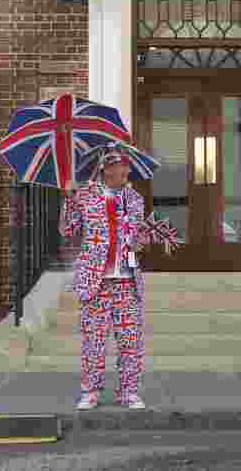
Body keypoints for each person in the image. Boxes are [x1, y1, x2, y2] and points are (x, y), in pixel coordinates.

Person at [60, 146, 148, 411]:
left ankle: (129, 392)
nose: (122, 171)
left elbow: (136, 235)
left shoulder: (134, 199)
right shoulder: (85, 196)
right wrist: (67, 200)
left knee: (130, 340)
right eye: (116, 166)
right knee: (94, 341)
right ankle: (91, 391)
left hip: (126, 280)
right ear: (104, 169)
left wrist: (139, 241)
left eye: (125, 166)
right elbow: (68, 229)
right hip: (96, 281)